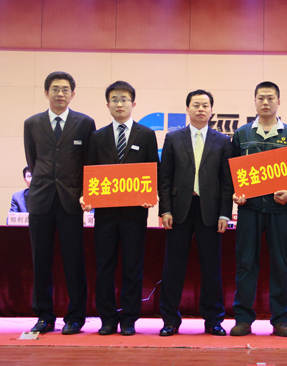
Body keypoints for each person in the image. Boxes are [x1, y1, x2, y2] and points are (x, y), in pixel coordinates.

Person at [80, 81, 159, 336]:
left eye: (124, 99)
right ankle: (107, 319)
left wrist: (151, 194)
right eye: (114, 99)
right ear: (107, 105)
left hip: (135, 214)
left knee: (132, 267)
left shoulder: (146, 135)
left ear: (133, 103)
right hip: (105, 215)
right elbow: (89, 170)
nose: (119, 104)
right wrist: (86, 196)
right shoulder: (97, 136)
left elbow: (153, 170)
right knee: (105, 266)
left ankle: (129, 319)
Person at [230, 81, 287, 337]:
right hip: (249, 210)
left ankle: (281, 320)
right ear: (254, 101)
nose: (265, 102)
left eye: (270, 98)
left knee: (281, 265)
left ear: (278, 102)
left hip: (279, 211)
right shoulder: (242, 134)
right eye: (261, 98)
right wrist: (235, 193)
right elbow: (231, 172)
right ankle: (243, 319)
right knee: (246, 264)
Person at [24, 71, 95, 335]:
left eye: (65, 89)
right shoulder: (32, 123)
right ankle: (44, 316)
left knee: (73, 260)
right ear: (46, 93)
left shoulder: (84, 123)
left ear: (73, 94)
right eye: (55, 89)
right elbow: (33, 161)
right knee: (40, 260)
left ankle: (75, 317)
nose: (60, 94)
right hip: (41, 200)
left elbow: (88, 163)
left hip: (71, 201)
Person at [158, 89, 233, 337]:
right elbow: (165, 177)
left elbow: (227, 182)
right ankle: (170, 320)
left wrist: (225, 214)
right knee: (173, 267)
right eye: (196, 105)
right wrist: (165, 209)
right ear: (187, 109)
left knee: (212, 268)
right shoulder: (173, 138)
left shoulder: (223, 141)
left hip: (210, 211)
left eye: (205, 105)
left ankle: (213, 320)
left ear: (212, 110)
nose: (201, 109)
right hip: (179, 210)